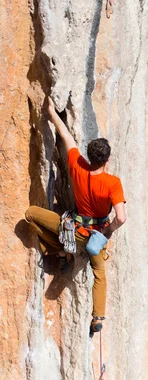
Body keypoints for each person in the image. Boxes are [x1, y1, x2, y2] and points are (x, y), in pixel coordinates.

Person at [25, 97, 126, 333]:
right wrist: (107, 232)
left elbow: (67, 138)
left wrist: (51, 113)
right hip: (95, 237)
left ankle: (59, 249)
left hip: (72, 230)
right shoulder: (112, 183)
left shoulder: (78, 165)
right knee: (99, 272)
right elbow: (121, 217)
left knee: (31, 214)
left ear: (90, 156)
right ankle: (98, 318)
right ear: (107, 159)